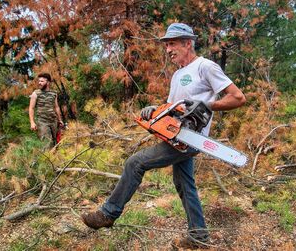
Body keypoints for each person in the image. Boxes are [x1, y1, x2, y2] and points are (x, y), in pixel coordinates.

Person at [81, 23, 246, 248]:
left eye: (172, 44)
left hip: (190, 138)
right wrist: (154, 109)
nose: (168, 49)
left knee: (135, 163)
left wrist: (206, 104)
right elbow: (172, 106)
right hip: (175, 135)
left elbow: (238, 98)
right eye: (166, 45)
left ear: (188, 43)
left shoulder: (205, 67)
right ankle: (199, 235)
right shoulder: (178, 74)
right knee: (184, 183)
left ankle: (108, 213)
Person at [29, 73, 64, 147]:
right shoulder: (35, 93)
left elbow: (56, 107)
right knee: (47, 144)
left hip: (53, 121)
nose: (39, 83)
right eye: (39, 81)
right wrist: (32, 122)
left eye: (42, 81)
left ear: (48, 82)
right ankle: (47, 158)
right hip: (42, 122)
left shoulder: (54, 93)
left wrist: (60, 120)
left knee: (56, 143)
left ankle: (55, 158)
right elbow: (31, 108)